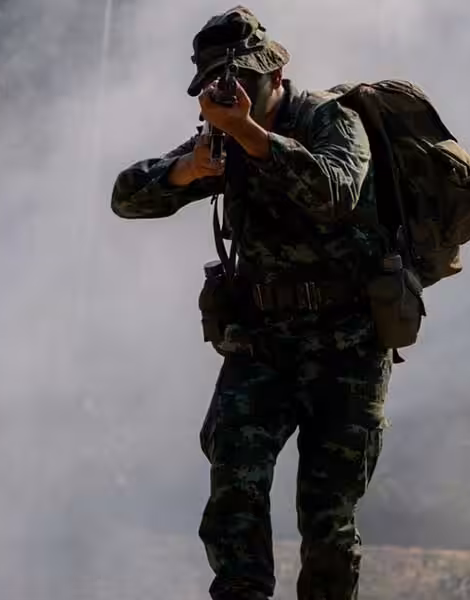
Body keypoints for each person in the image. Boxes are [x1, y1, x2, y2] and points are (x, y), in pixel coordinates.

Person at [110, 6, 405, 599]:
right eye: (222, 84)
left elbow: (335, 192)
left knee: (327, 516)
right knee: (235, 482)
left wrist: (250, 133)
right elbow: (126, 197)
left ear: (277, 72)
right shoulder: (223, 138)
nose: (233, 92)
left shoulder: (329, 119)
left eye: (244, 78)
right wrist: (186, 172)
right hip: (264, 342)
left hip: (346, 346)